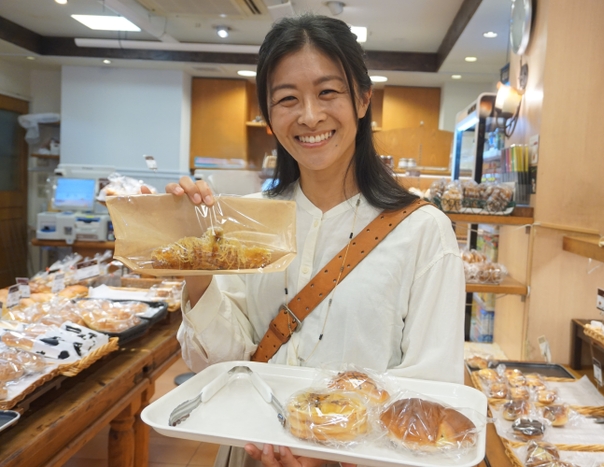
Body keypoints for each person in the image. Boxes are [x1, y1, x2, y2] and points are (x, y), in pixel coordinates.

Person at [149, 13, 465, 467]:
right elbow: (223, 363)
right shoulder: (246, 219)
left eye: (328, 92)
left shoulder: (423, 230)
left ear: (362, 98)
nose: (310, 115)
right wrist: (198, 271)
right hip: (251, 455)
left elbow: (431, 387)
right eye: (287, 99)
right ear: (270, 116)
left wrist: (328, 448)